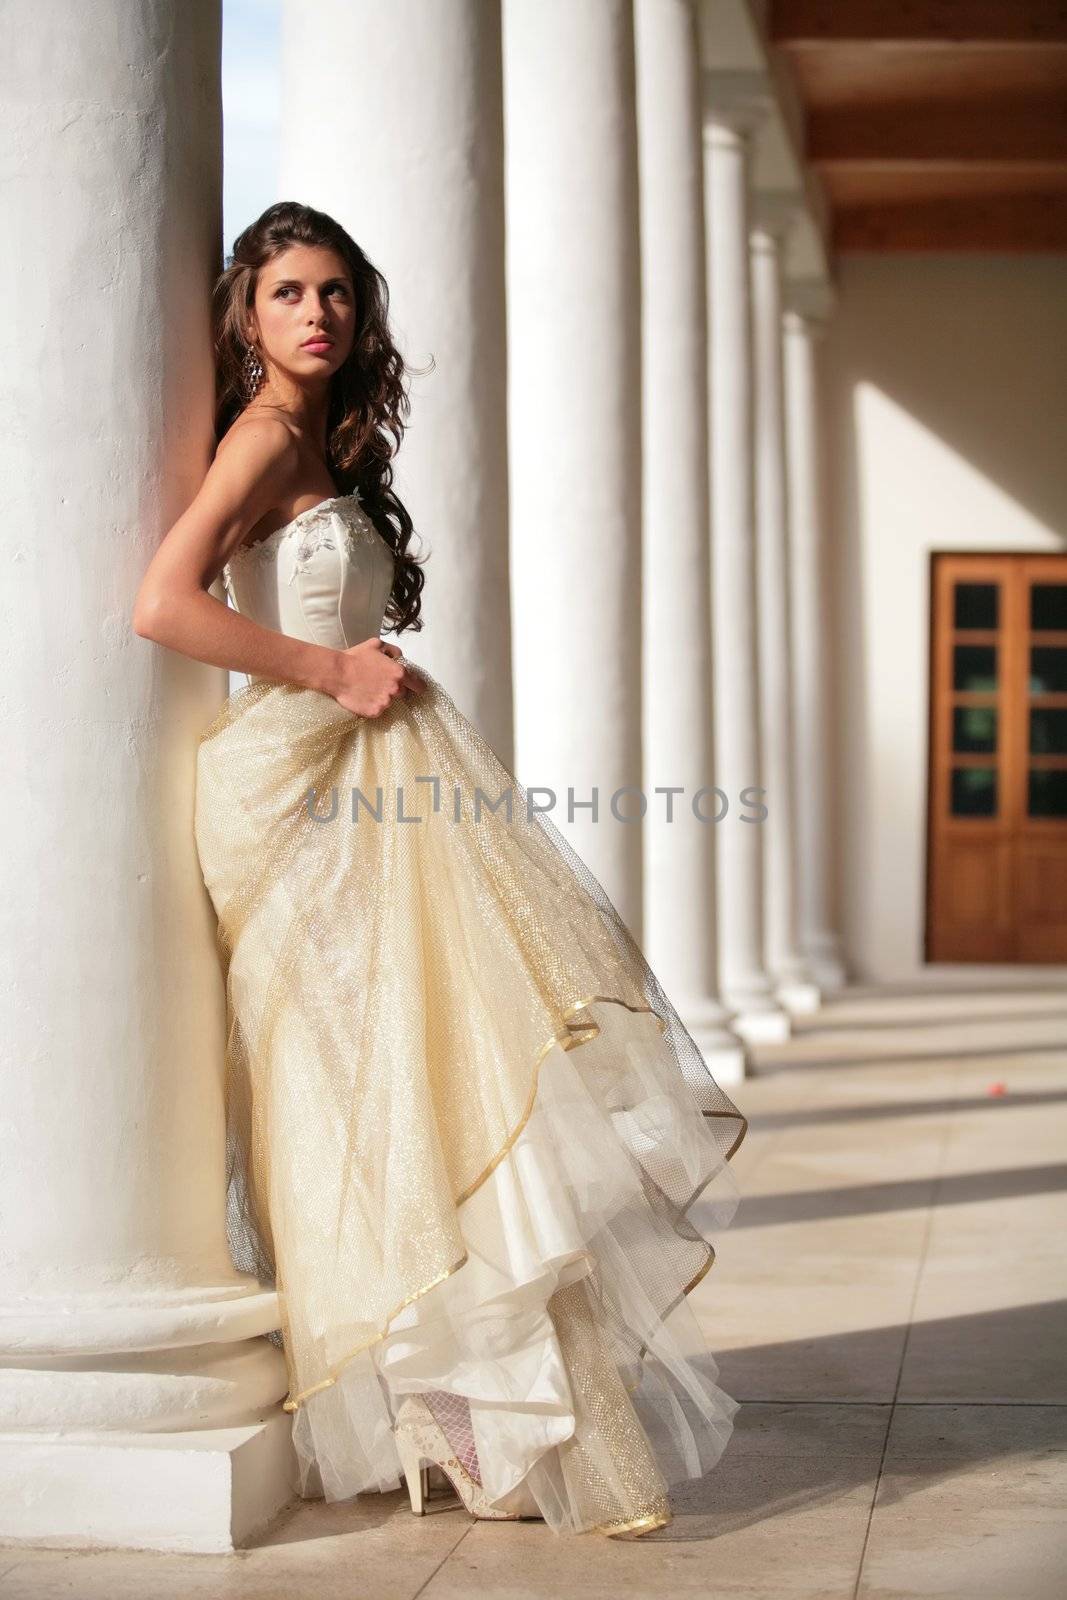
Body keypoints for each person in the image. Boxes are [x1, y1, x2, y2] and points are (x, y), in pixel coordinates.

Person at [132, 200, 748, 1539]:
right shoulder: (256, 439)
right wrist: (331, 669)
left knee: (436, 1071)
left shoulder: (325, 440)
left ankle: (474, 1415)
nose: (318, 315)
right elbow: (163, 601)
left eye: (338, 294)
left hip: (376, 773)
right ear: (246, 313)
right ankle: (449, 1411)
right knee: (358, 1081)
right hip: (298, 788)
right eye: (290, 292)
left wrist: (358, 679)